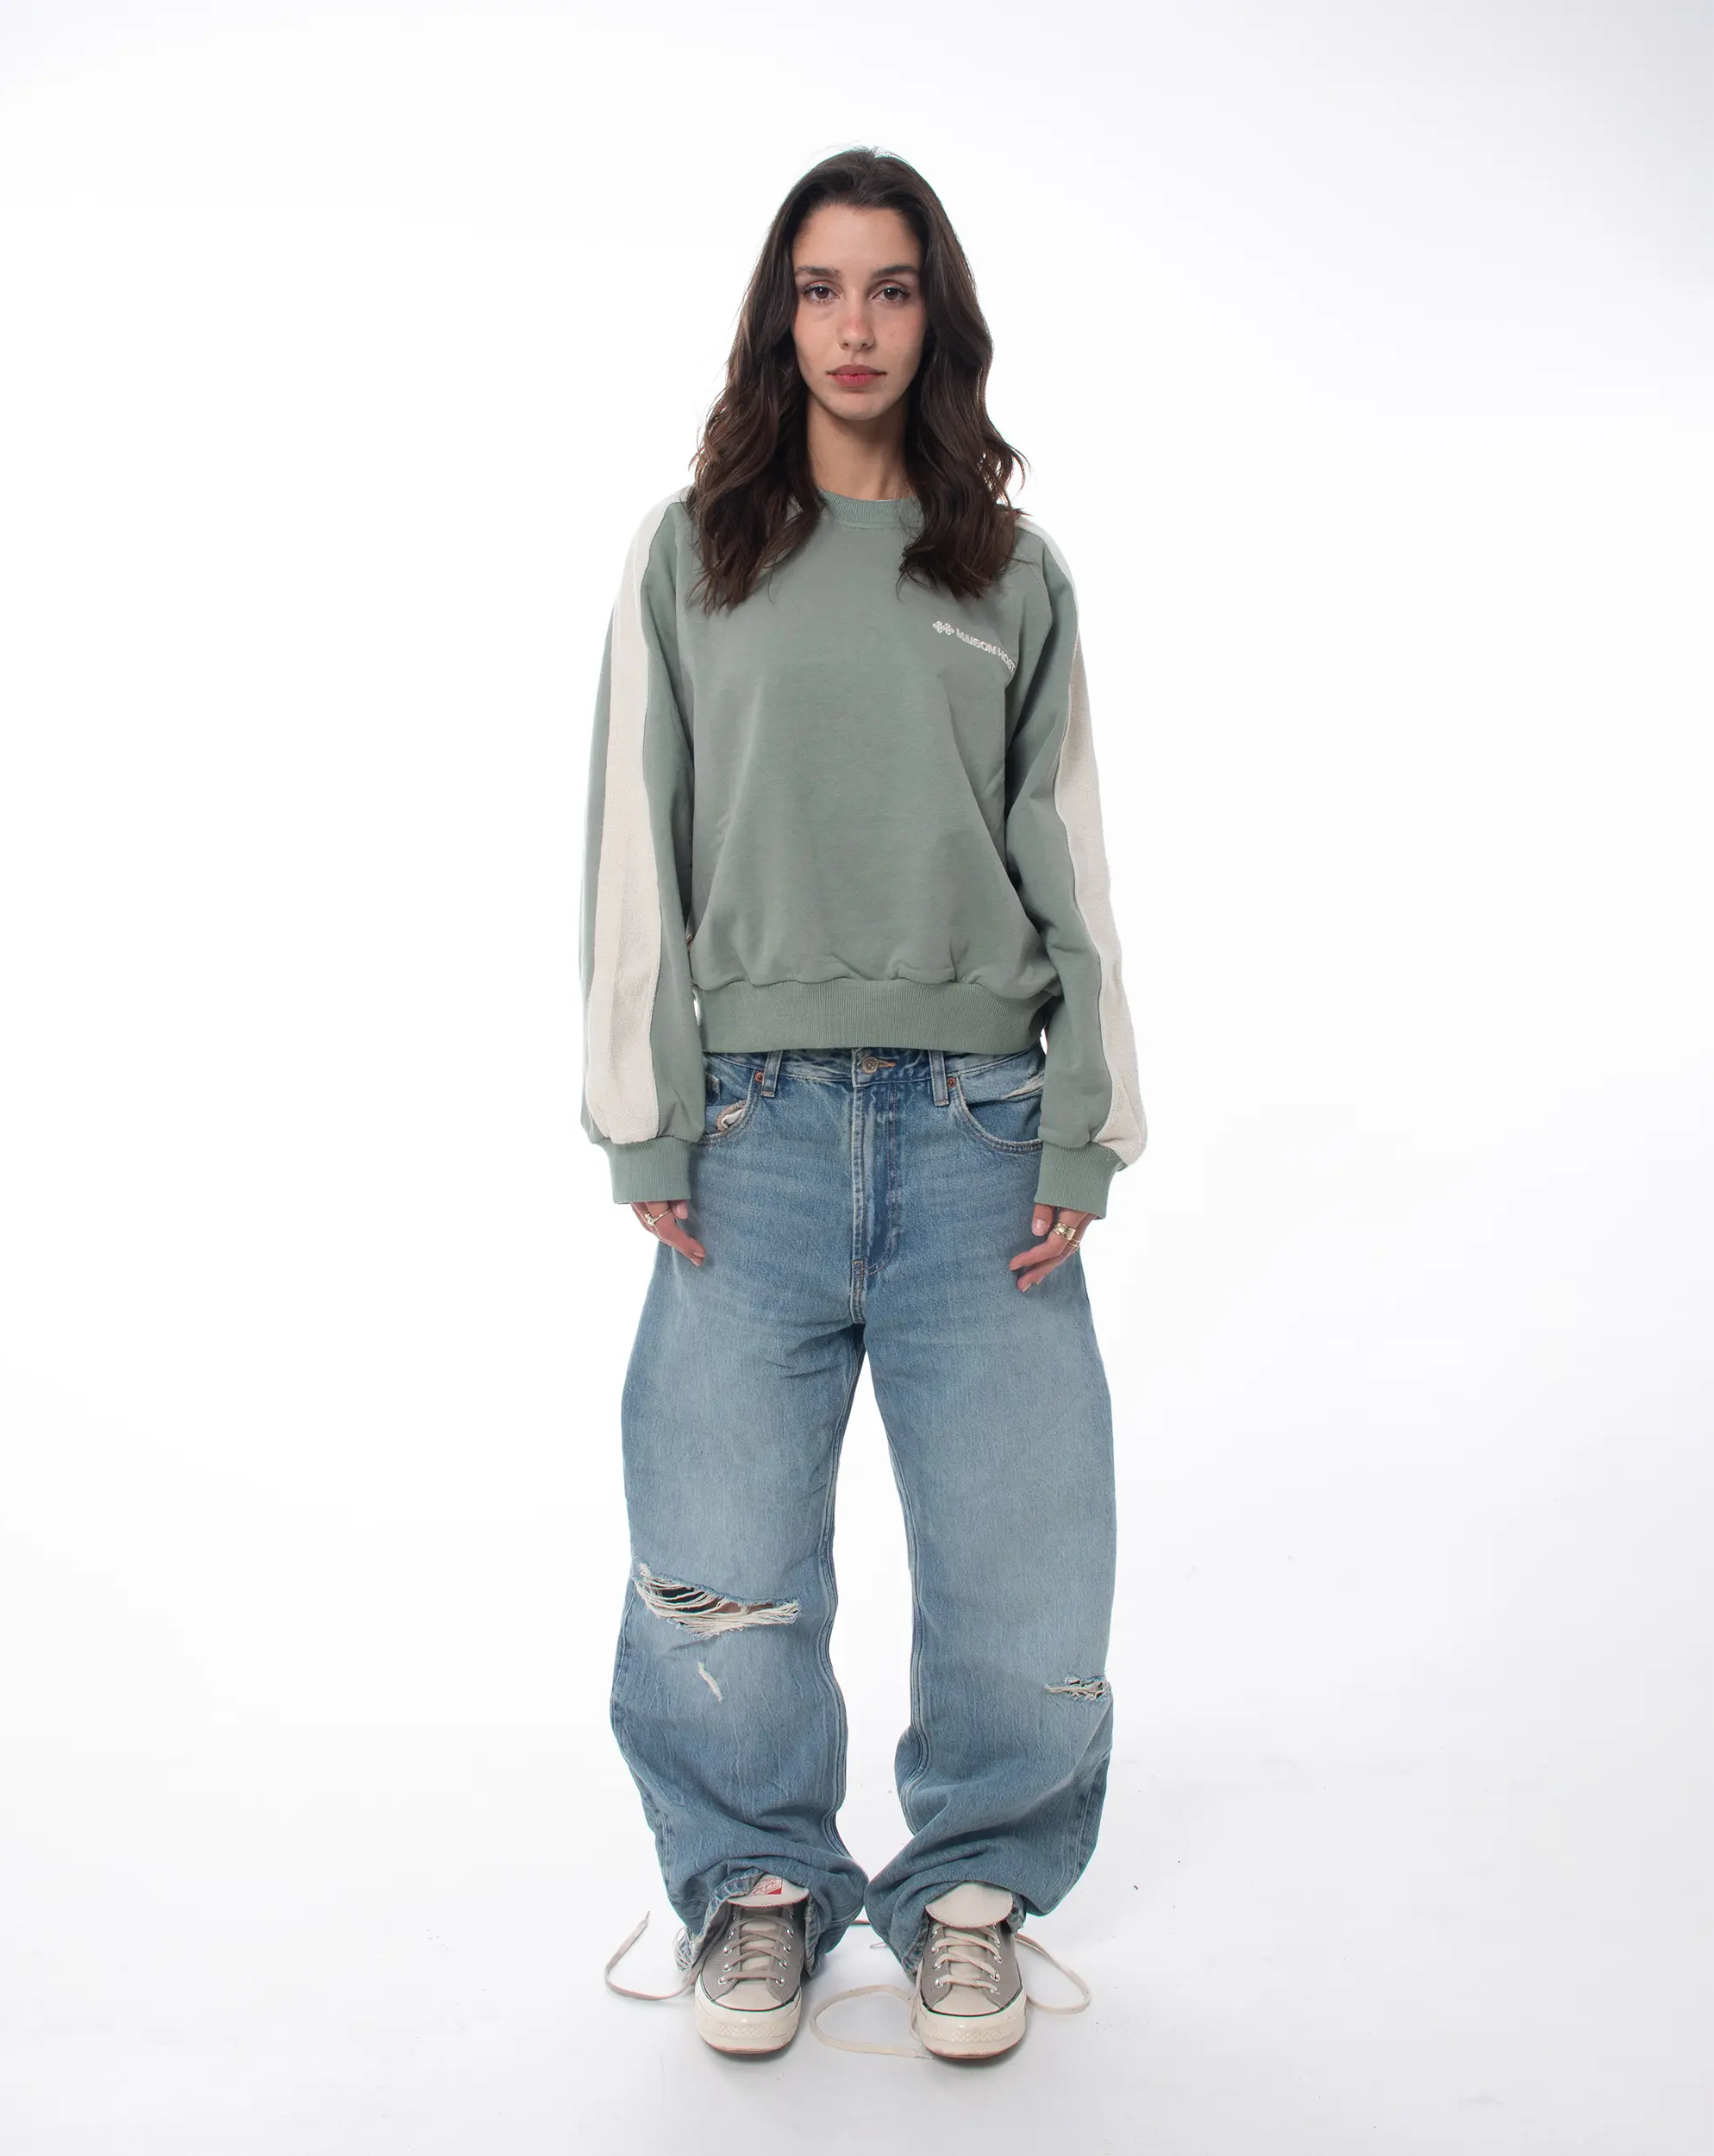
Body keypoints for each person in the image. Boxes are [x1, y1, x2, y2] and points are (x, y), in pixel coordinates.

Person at [579, 146, 1147, 2062]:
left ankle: (971, 1891)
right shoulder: (692, 556)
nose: (854, 325)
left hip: (984, 1130)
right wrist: (644, 1108)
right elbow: (634, 839)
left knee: (1025, 1553)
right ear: (777, 316)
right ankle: (755, 1885)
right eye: (819, 288)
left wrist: (1087, 1119)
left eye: (891, 288)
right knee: (722, 1550)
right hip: (750, 1138)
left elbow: (1067, 852)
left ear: (936, 317)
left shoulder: (1010, 574)